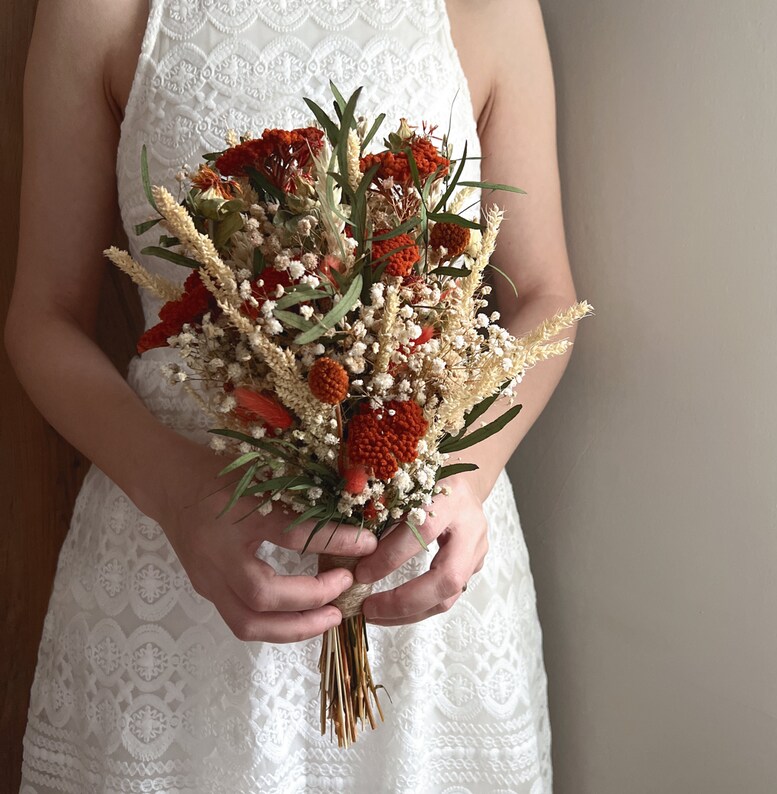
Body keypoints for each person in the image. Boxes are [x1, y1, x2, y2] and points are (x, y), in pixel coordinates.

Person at [6, 0, 578, 791]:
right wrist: (178, 496)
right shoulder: (97, 12)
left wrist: (465, 478)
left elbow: (546, 295)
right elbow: (44, 319)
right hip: (173, 575)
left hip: (425, 576)